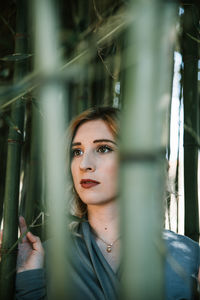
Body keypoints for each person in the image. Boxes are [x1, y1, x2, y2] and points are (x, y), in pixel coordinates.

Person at [15, 106, 199, 299]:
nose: (84, 164)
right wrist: (30, 281)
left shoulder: (187, 257)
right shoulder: (47, 258)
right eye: (77, 152)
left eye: (103, 148)